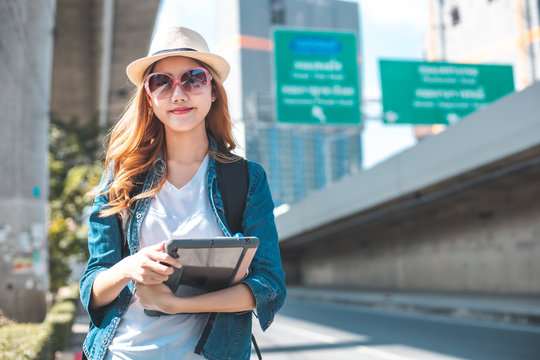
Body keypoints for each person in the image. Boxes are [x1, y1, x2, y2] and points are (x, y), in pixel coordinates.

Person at [79, 26, 286, 360]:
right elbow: (92, 289)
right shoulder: (122, 176)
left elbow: (269, 286)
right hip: (123, 353)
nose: (178, 94)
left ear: (213, 91)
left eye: (193, 79)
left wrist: (176, 304)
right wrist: (130, 266)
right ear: (149, 96)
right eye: (161, 82)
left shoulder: (246, 179)